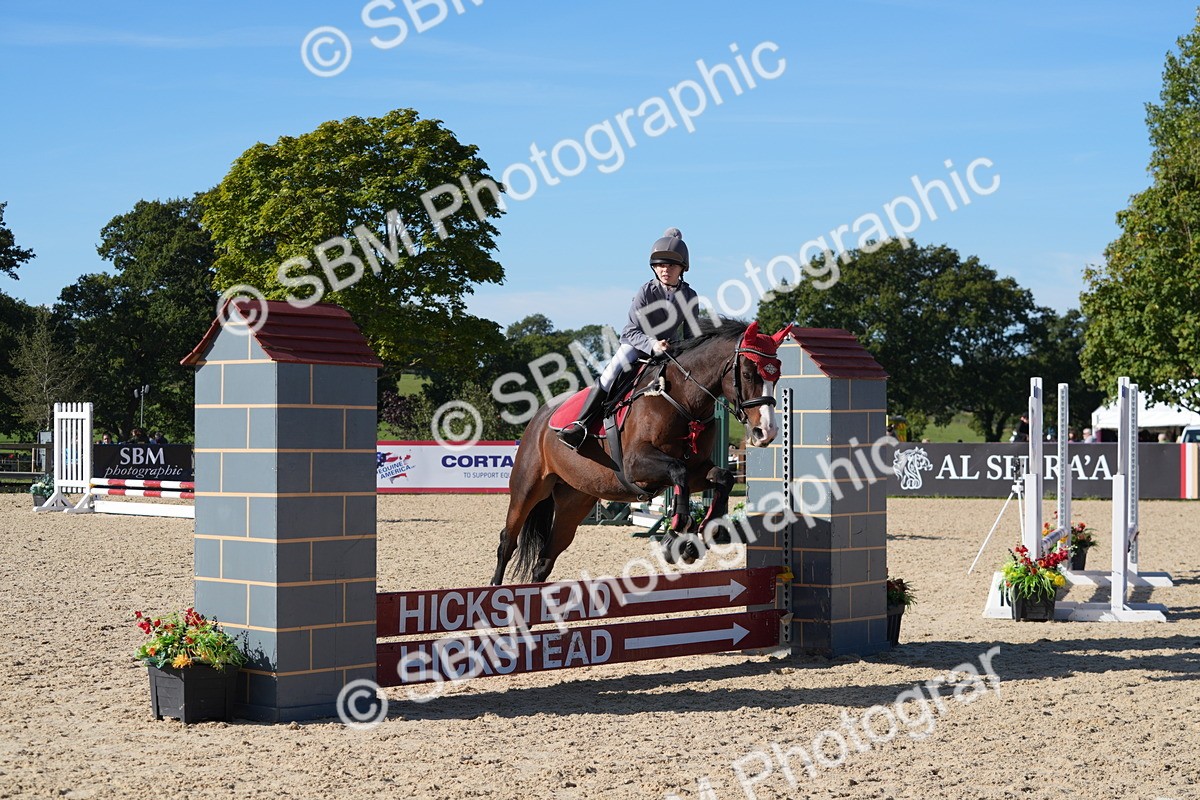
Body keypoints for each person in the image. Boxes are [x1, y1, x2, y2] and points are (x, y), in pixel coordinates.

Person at [558, 227, 699, 450]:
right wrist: (653, 344)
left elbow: (692, 334)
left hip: (670, 350)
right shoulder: (646, 291)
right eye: (661, 265)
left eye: (671, 265)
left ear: (682, 268)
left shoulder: (690, 296)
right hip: (637, 344)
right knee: (610, 373)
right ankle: (580, 425)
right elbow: (631, 331)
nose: (665, 270)